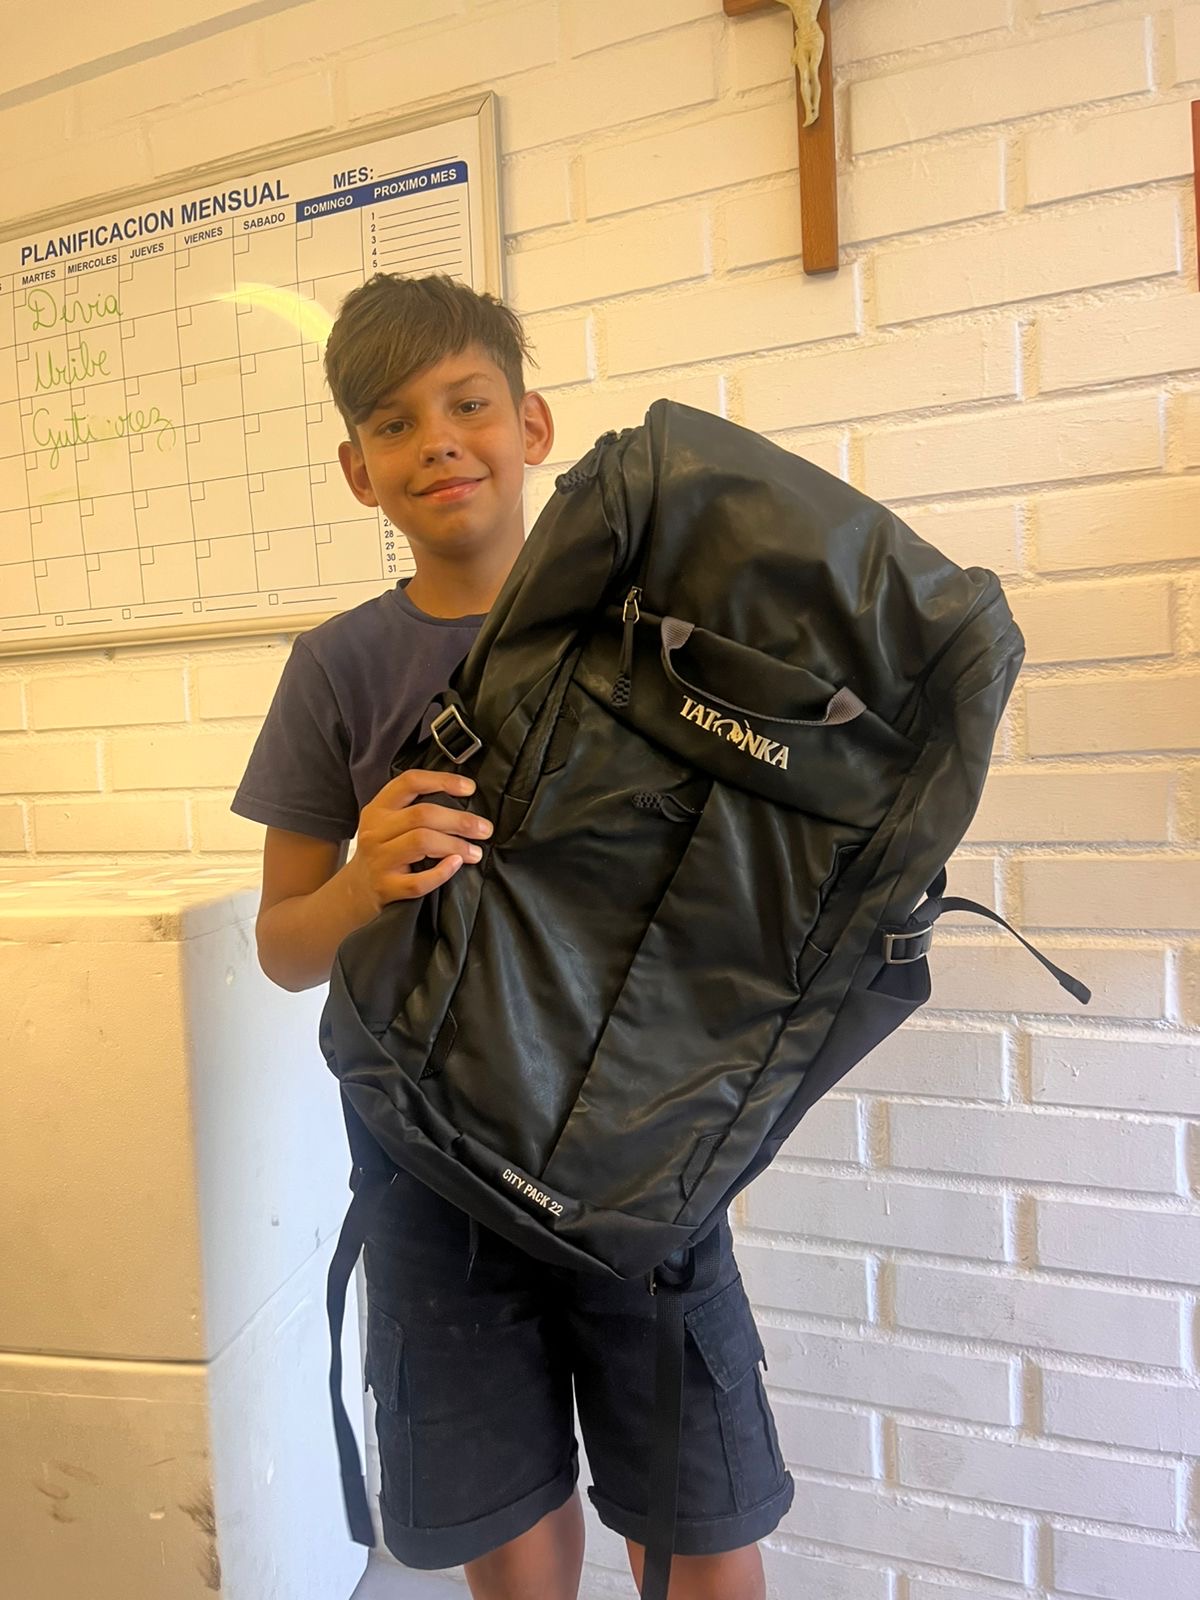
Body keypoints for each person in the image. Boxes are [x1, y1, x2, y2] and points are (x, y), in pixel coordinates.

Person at [231, 273, 793, 1600]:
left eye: (468, 403)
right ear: (357, 472)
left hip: (640, 1154)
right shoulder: (336, 668)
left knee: (700, 1521)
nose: (437, 441)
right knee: (511, 1529)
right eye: (393, 423)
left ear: (531, 424)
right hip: (429, 1173)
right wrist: (362, 883)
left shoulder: (654, 631)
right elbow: (283, 946)